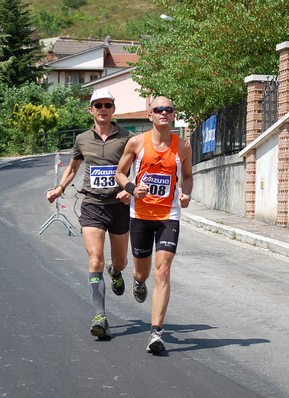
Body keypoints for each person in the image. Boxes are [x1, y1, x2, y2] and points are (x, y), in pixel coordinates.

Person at [46, 88, 132, 340]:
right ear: (91, 110)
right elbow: (73, 168)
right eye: (98, 105)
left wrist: (131, 189)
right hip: (92, 205)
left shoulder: (128, 138)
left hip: (119, 206)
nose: (103, 109)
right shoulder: (82, 139)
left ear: (113, 109)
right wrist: (59, 188)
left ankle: (115, 272)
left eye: (107, 105)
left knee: (120, 262)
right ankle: (100, 316)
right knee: (94, 258)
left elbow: (140, 168)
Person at [115, 96, 193, 353]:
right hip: (140, 215)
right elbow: (120, 172)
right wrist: (132, 188)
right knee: (142, 273)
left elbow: (188, 176)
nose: (163, 113)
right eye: (158, 109)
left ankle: (156, 333)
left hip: (168, 216)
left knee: (163, 271)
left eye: (168, 109)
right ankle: (137, 281)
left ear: (173, 115)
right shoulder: (137, 143)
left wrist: (186, 193)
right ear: (150, 115)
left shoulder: (182, 147)